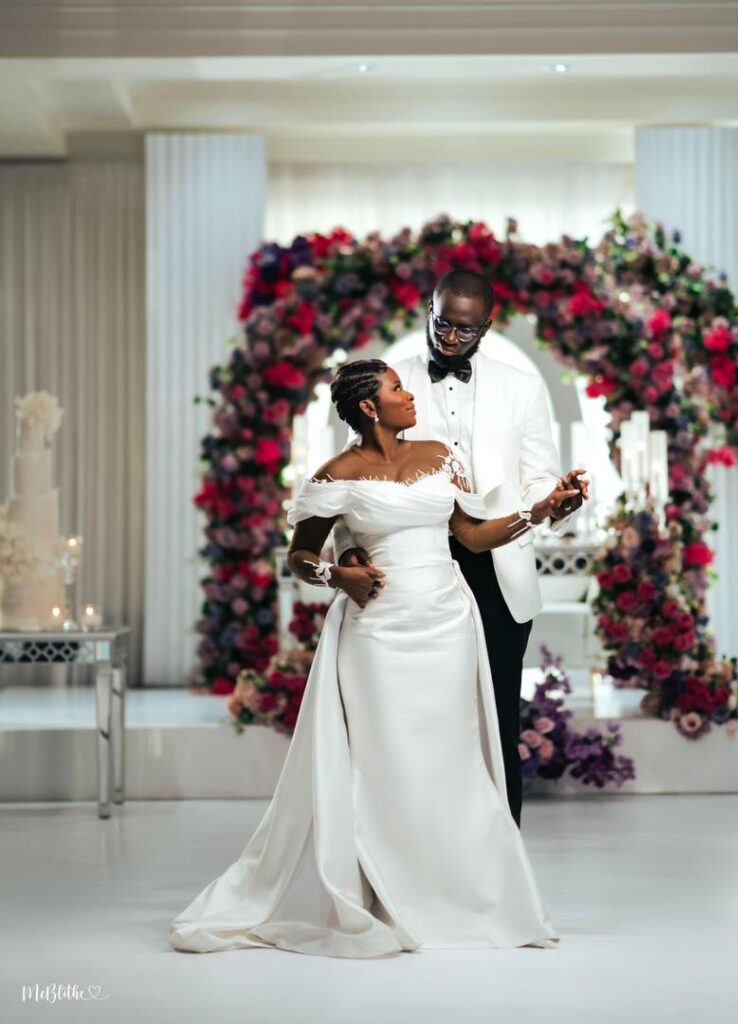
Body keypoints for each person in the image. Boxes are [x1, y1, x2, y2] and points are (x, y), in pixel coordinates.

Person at [169, 359, 584, 958]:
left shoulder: (440, 454)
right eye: (396, 388)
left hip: (447, 622)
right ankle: (383, 893)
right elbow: (300, 557)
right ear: (369, 406)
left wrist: (539, 512)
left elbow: (469, 535)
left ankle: (466, 896)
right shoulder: (337, 474)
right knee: (386, 763)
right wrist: (337, 574)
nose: (409, 394)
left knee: (452, 760)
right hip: (378, 633)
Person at [333, 269, 590, 826]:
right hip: (414, 565)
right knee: (417, 716)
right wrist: (350, 553)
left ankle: (501, 862)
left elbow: (538, 478)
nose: (450, 339)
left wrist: (558, 502)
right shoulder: (388, 381)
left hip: (497, 567)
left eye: (464, 331)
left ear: (488, 327)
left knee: (496, 719)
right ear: (428, 308)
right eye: (442, 323)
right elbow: (356, 480)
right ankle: (414, 848)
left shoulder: (522, 388)